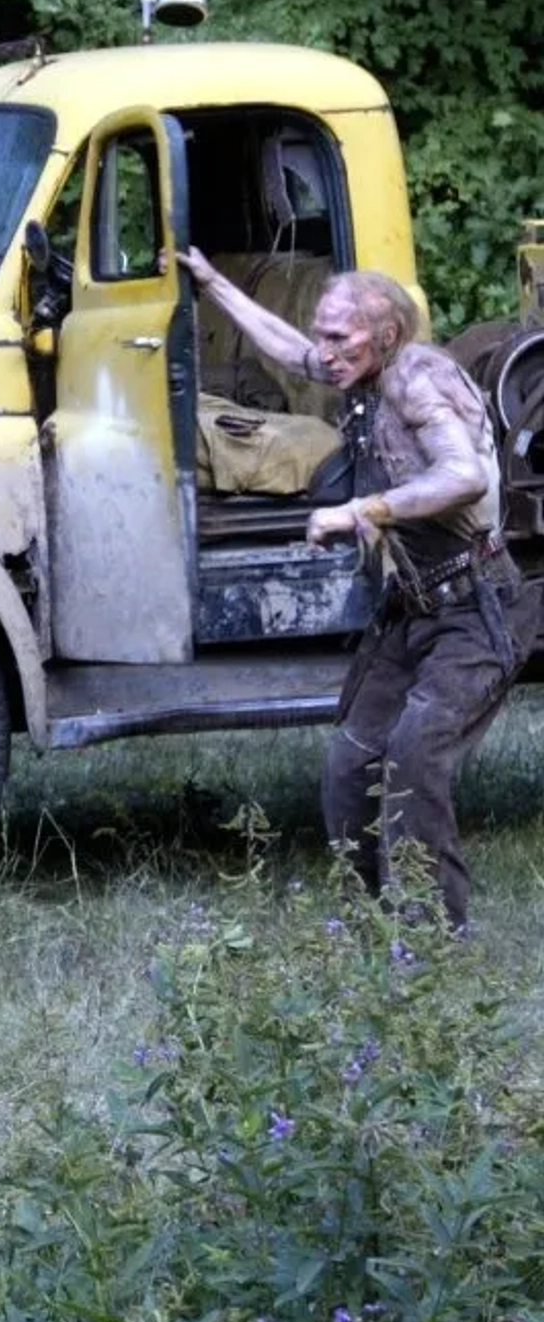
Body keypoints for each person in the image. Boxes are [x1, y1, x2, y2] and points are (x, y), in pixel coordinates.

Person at [183, 251, 538, 929]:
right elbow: (292, 351)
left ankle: (432, 936)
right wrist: (212, 283)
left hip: (475, 607)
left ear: (385, 334)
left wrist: (360, 512)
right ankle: (373, 927)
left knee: (413, 756)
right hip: (412, 609)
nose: (325, 351)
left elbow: (463, 475)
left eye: (338, 337)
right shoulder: (358, 367)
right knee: (351, 764)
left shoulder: (417, 376)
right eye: (324, 333)